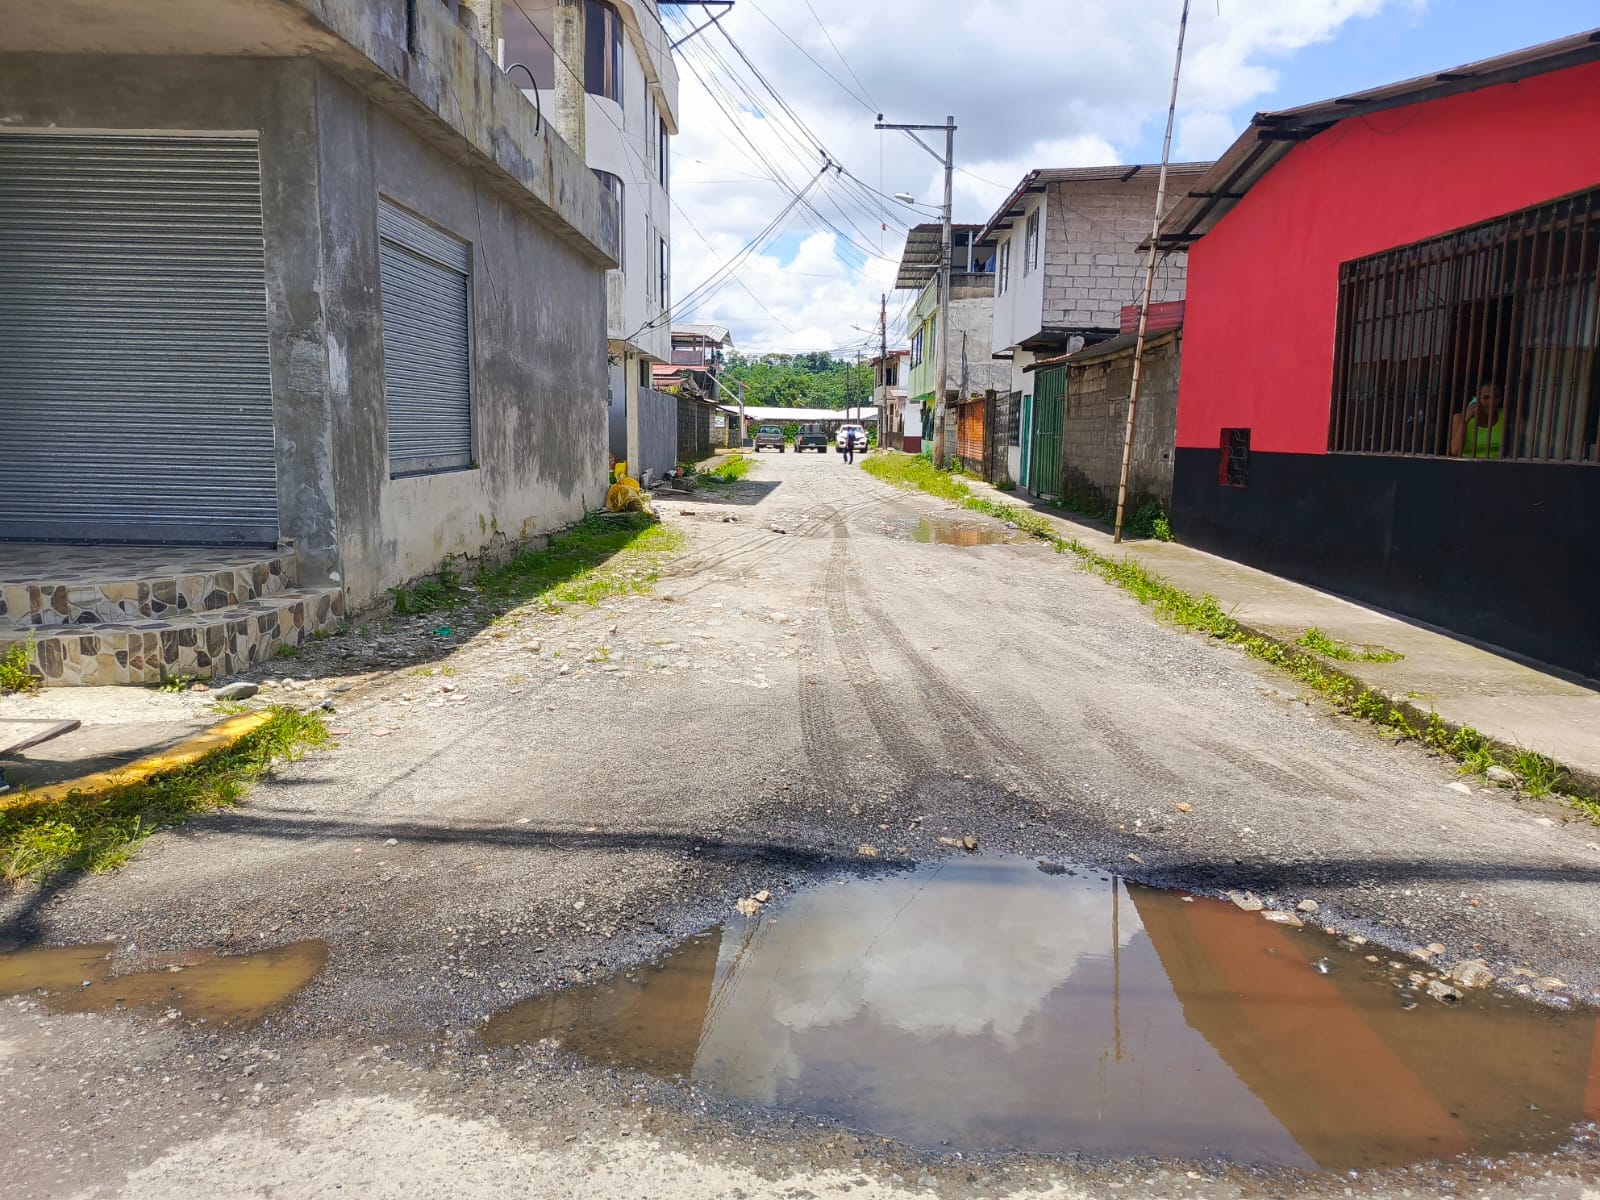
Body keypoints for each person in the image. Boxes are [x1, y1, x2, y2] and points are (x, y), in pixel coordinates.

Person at [1449, 381, 1504, 459]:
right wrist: (1466, 419)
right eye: (1486, 397)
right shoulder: (1459, 418)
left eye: (1496, 397)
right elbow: (1455, 451)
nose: (1491, 402)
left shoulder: (1505, 416)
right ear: (1474, 399)